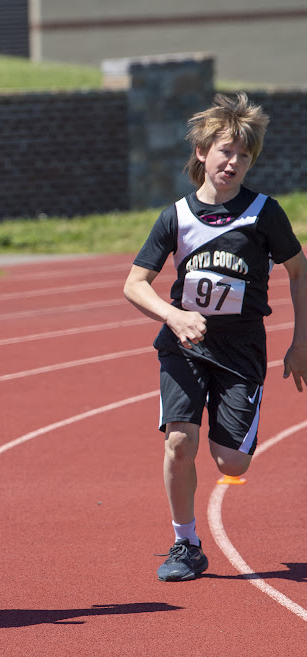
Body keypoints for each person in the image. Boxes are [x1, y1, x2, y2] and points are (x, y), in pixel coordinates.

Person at [123, 92, 307, 582]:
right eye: (226, 151)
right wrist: (174, 317)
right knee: (179, 442)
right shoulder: (176, 216)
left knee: (232, 461)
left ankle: (231, 434)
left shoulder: (264, 213)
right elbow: (134, 284)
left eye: (244, 155)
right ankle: (186, 543)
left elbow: (299, 271)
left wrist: (301, 341)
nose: (234, 162)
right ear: (202, 152)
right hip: (184, 345)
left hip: (241, 349)